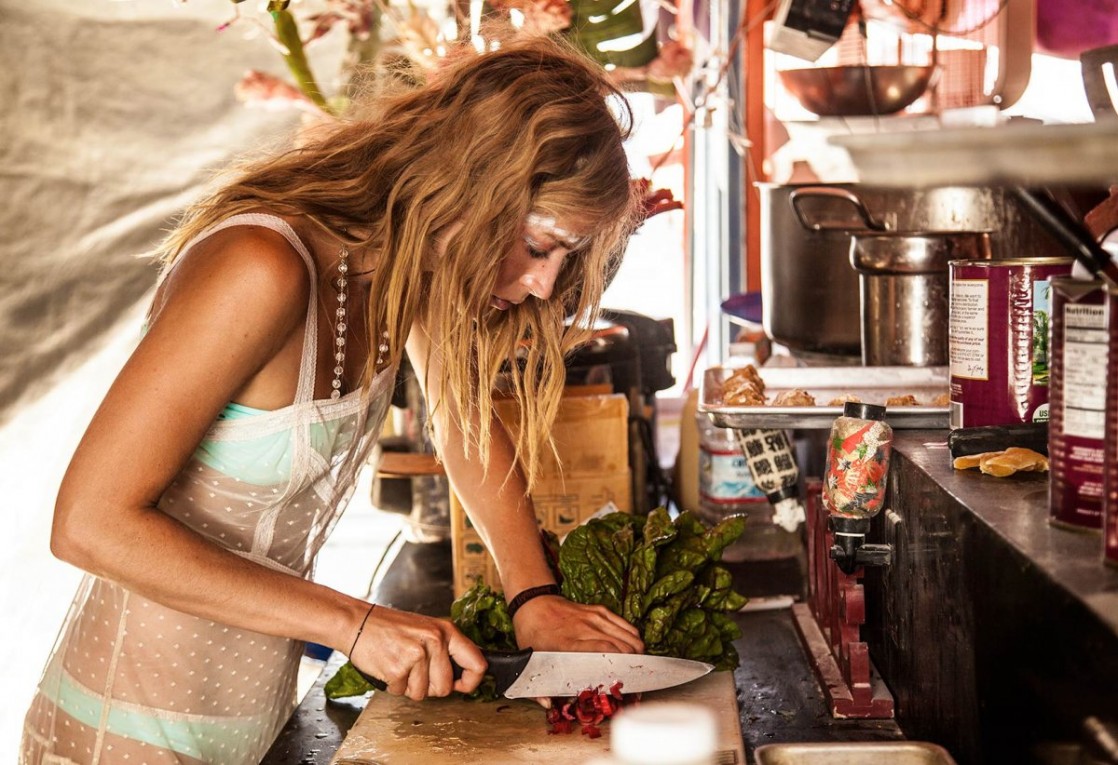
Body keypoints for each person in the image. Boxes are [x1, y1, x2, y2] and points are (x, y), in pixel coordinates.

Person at [20, 33, 645, 765]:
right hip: (118, 736)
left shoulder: (402, 270)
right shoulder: (263, 267)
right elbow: (89, 523)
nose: (543, 285)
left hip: (254, 730)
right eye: (541, 246)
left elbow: (462, 419)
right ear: (473, 187)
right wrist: (357, 622)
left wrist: (531, 596)